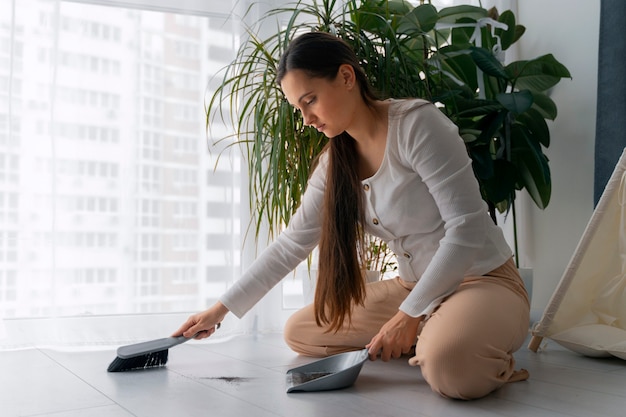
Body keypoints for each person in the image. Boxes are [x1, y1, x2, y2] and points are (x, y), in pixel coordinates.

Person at [173, 31, 530, 400]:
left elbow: (466, 229)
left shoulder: (416, 124)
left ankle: (452, 343)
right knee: (300, 330)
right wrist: (219, 311)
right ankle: (435, 333)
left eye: (310, 100)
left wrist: (408, 315)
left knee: (450, 371)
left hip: (482, 280)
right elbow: (292, 243)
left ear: (346, 77)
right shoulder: (334, 163)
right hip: (412, 287)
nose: (307, 119)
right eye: (298, 108)